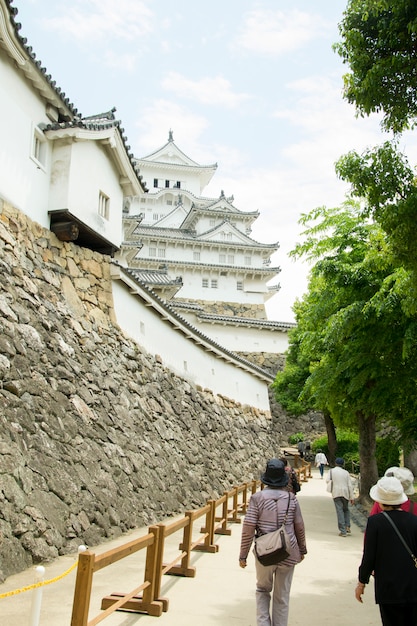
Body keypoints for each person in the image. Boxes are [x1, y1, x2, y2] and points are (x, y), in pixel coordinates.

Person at [239, 458, 307, 626]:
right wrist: (302, 549)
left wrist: (243, 555)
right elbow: (299, 526)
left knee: (262, 590)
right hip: (288, 551)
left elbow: (248, 528)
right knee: (282, 596)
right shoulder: (292, 499)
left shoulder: (257, 498)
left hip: (265, 552)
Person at [355, 476, 417, 625]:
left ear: (380, 501)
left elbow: (369, 556)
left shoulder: (375, 522)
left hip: (388, 587)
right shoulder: (414, 521)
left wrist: (362, 582)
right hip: (413, 586)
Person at [326, 457, 354, 536]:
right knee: (346, 509)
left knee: (339, 511)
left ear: (335, 463)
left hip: (336, 492)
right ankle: (347, 526)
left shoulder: (331, 471)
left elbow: (327, 480)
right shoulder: (346, 472)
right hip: (345, 493)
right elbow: (349, 485)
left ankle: (343, 530)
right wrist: (352, 497)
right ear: (343, 464)